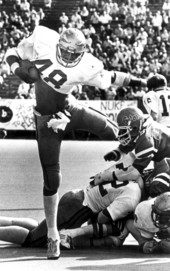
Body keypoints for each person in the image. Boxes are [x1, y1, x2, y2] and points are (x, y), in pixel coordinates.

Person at [5, 25, 146, 259]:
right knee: (52, 177)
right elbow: (13, 52)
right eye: (66, 52)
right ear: (58, 44)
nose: (69, 57)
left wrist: (141, 83)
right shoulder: (43, 39)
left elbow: (111, 78)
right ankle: (52, 233)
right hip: (47, 120)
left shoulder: (87, 64)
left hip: (69, 109)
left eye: (74, 54)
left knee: (112, 131)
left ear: (81, 53)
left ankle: (143, 155)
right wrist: (16, 67)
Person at [0, 152, 143, 250]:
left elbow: (104, 176)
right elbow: (101, 217)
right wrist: (112, 226)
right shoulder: (132, 197)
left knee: (45, 228)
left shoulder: (130, 179)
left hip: (76, 195)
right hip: (78, 208)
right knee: (34, 240)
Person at [93, 106, 170, 199]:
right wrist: (117, 152)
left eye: (124, 130)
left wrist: (107, 176)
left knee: (157, 187)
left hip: (166, 163)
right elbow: (132, 141)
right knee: (145, 179)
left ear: (134, 127)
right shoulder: (142, 126)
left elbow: (134, 172)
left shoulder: (146, 139)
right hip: (164, 160)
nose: (121, 133)